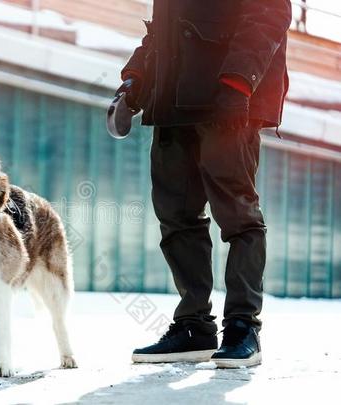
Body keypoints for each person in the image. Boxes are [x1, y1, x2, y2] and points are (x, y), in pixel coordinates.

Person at [119, 1, 292, 368]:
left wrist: (238, 82)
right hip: (171, 100)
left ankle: (243, 327)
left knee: (237, 215)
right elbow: (162, 31)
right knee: (175, 215)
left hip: (227, 101)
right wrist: (136, 77)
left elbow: (269, 13)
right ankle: (194, 326)